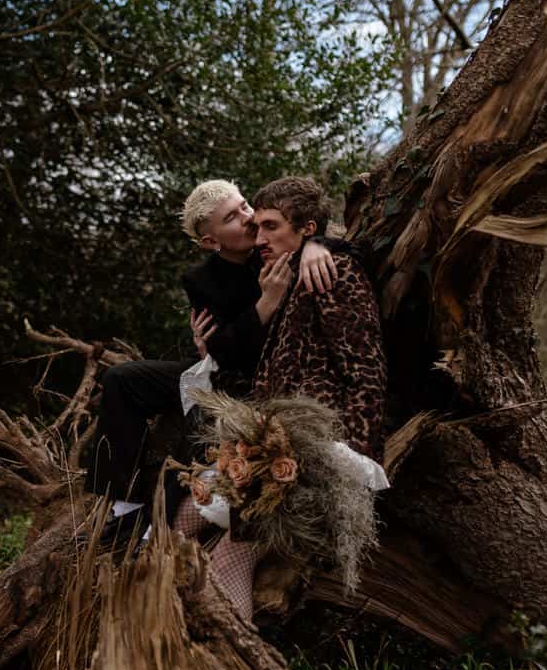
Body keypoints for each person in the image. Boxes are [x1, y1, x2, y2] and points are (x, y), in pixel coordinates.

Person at [174, 175, 387, 616]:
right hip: (266, 440)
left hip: (311, 451)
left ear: (306, 230)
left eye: (270, 226)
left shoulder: (331, 270)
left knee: (233, 555)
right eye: (259, 223)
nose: (258, 234)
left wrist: (354, 456)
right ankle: (161, 609)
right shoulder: (283, 274)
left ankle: (232, 662)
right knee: (184, 517)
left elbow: (365, 370)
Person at [85, 179, 339, 540]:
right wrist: (265, 303)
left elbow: (330, 237)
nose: (249, 219)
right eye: (232, 218)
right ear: (210, 241)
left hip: (260, 378)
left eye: (244, 206)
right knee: (121, 380)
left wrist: (317, 244)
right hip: (214, 367)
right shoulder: (201, 280)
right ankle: (125, 507)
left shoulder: (274, 244)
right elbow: (220, 349)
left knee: (203, 414)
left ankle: (161, 526)